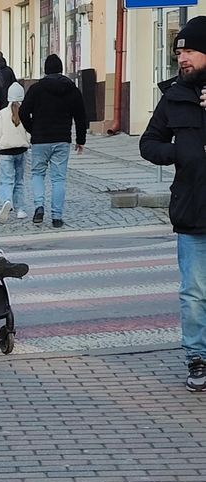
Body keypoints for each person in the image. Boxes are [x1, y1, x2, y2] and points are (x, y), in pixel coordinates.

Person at [139, 15, 206, 393]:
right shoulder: (174, 96)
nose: (183, 58)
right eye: (180, 51)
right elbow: (148, 143)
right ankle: (197, 357)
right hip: (193, 211)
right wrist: (177, 151)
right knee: (195, 293)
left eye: (191, 51)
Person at [19, 54, 87, 227]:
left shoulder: (36, 89)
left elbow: (23, 112)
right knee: (58, 179)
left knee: (37, 174)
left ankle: (39, 206)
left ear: (45, 70)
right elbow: (80, 116)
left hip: (40, 139)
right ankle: (57, 217)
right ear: (61, 69)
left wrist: (32, 129)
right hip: (62, 139)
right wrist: (81, 139)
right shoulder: (72, 89)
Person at [0, 82, 31, 221]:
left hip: (6, 152)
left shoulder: (2, 114)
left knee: (6, 181)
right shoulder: (27, 113)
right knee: (19, 181)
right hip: (21, 151)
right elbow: (31, 132)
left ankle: (6, 201)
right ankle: (20, 209)